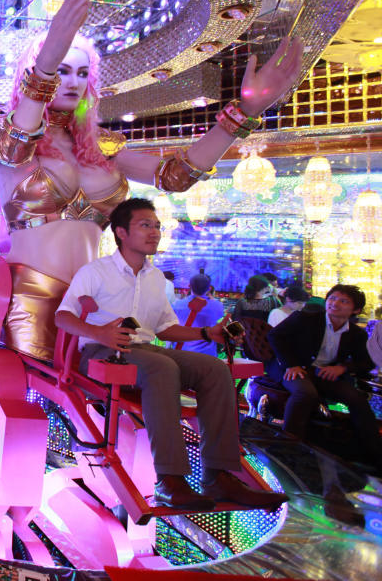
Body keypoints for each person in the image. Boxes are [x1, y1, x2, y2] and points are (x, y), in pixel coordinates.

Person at [0, 0, 303, 364]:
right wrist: (43, 68)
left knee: (107, 407)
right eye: (61, 69)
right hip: (32, 295)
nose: (72, 81)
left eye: (81, 72)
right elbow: (14, 148)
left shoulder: (101, 147)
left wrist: (241, 114)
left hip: (98, 302)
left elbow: (177, 176)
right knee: (38, 401)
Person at [55, 199, 287, 511]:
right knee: (161, 367)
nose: (155, 232)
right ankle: (169, 480)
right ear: (121, 232)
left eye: (157, 226)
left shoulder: (157, 279)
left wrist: (207, 334)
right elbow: (63, 317)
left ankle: (219, 477)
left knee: (214, 369)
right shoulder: (95, 272)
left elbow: (165, 328)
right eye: (145, 225)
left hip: (146, 350)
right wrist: (99, 332)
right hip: (102, 351)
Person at [268, 285, 382, 470]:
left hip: (321, 372)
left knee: (356, 398)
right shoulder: (305, 318)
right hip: (289, 367)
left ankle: (373, 455)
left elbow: (367, 361)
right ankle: (287, 449)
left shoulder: (356, 333)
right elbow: (274, 336)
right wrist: (291, 363)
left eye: (343, 301)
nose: (335, 303)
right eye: (332, 298)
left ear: (356, 310)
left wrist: (342, 367)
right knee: (305, 393)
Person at [170, 273, 224, 356]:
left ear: (189, 286)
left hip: (182, 352)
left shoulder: (177, 305)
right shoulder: (218, 306)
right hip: (207, 355)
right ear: (209, 288)